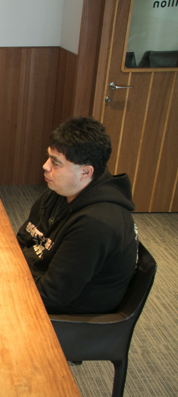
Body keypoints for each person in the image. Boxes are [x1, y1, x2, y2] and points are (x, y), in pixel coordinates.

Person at [16, 116, 138, 314]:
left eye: (56, 163)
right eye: (48, 157)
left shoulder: (96, 224)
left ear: (85, 172)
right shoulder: (60, 191)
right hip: (34, 280)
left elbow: (51, 295)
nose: (45, 166)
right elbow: (23, 238)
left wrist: (5, 281)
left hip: (66, 314)